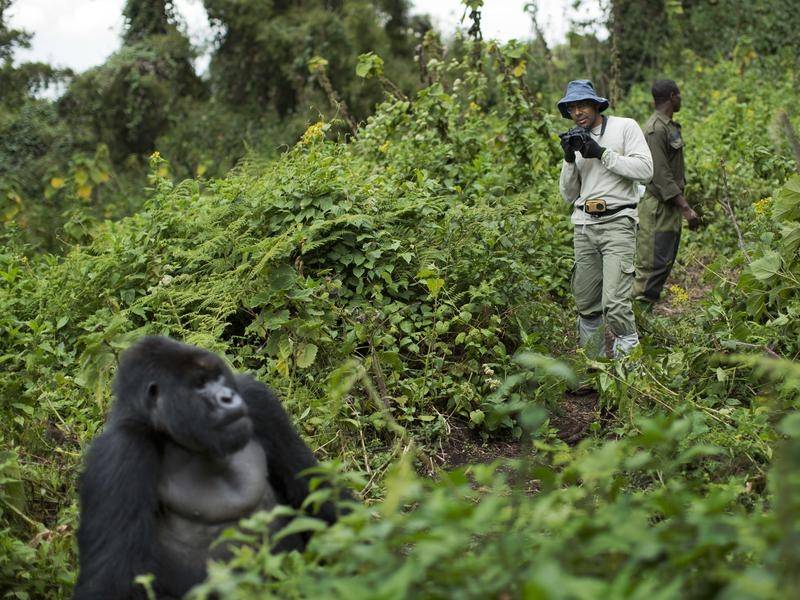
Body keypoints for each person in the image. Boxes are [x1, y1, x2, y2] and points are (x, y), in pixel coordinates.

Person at [557, 80, 653, 358]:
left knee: (615, 303)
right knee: (586, 305)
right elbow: (568, 194)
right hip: (584, 226)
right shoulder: (575, 138)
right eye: (572, 108)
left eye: (583, 105)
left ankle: (626, 376)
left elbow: (646, 169)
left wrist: (601, 153)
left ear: (596, 104)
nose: (578, 112)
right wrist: (568, 158)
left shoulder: (625, 127)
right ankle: (593, 371)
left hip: (618, 222)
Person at [634, 79, 699, 303]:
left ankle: (643, 320)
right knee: (651, 265)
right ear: (672, 97)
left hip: (669, 206)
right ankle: (632, 324)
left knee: (664, 263)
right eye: (679, 95)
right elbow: (660, 175)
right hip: (657, 208)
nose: (680, 99)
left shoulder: (669, 126)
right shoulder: (655, 130)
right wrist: (686, 208)